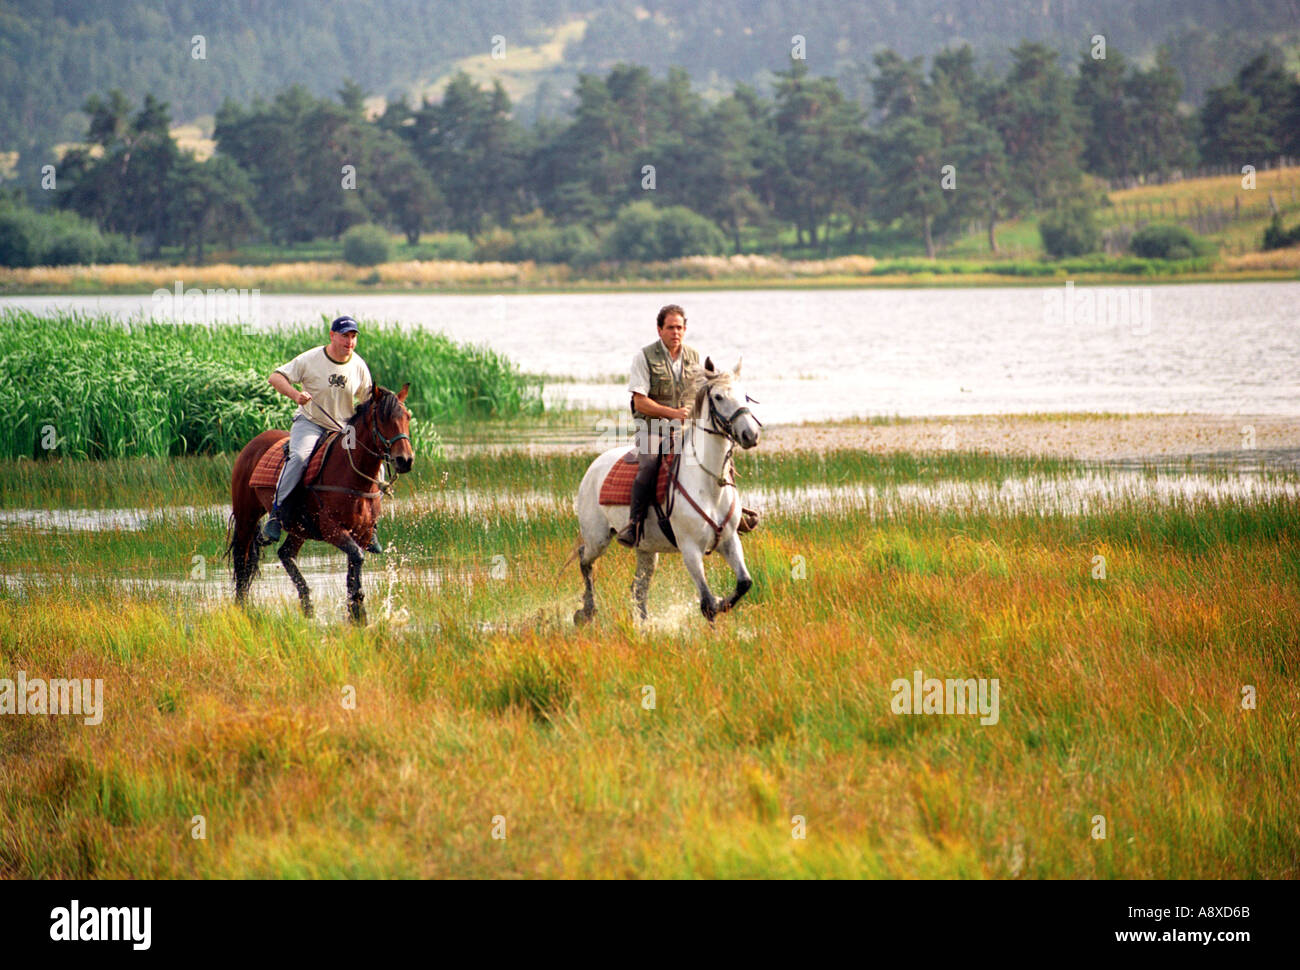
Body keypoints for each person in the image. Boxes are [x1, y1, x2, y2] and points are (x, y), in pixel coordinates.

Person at [261, 315, 382, 551]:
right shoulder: (311, 358)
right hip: (312, 423)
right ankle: (276, 514)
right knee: (299, 458)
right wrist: (296, 395)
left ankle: (371, 526)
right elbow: (275, 377)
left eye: (353, 336)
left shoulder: (358, 365)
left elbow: (369, 401)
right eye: (345, 336)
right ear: (332, 336)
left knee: (376, 464)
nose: (349, 341)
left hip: (344, 428)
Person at [617, 304, 700, 547]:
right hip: (651, 429)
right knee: (649, 465)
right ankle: (634, 525)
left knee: (717, 455)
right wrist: (672, 413)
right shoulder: (644, 357)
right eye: (671, 327)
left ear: (685, 330)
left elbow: (698, 394)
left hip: (685, 429)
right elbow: (639, 402)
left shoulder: (694, 356)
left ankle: (731, 516)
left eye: (680, 327)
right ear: (659, 330)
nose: (676, 332)